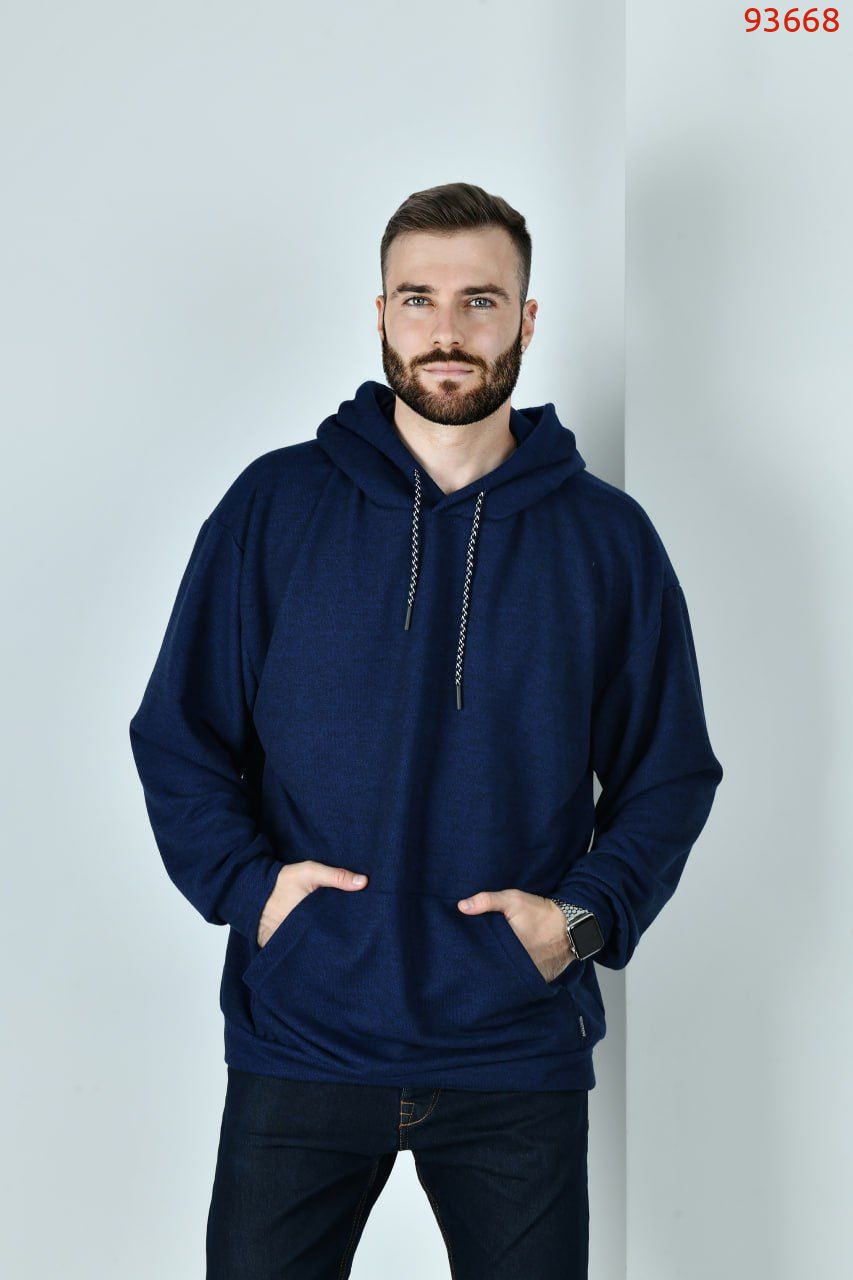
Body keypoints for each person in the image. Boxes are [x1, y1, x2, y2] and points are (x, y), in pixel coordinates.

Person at [129, 181, 724, 1279]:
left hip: (513, 1048)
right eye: (419, 299)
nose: (446, 331)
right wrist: (254, 894)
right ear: (381, 313)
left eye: (479, 301)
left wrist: (579, 920)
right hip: (302, 1036)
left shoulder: (607, 539)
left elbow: (669, 771)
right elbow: (179, 734)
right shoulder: (275, 507)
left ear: (525, 319)